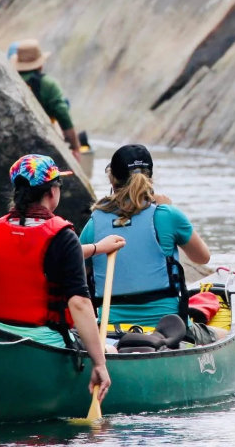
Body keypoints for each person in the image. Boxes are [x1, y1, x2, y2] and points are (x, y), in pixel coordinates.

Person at [0, 153, 125, 400]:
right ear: (51, 192)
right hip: (41, 339)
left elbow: (35, 254)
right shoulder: (62, 235)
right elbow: (78, 303)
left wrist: (97, 248)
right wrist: (99, 364)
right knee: (112, 349)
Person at [79, 144, 219, 345]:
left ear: (112, 179)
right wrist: (169, 210)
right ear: (149, 178)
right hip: (169, 329)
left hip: (110, 332)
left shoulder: (94, 223)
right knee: (219, 335)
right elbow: (202, 257)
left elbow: (80, 278)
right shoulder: (167, 215)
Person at [10, 39, 82, 160]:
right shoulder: (48, 84)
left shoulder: (11, 80)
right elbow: (63, 115)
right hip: (42, 145)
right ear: (40, 64)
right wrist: (75, 147)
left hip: (13, 144)